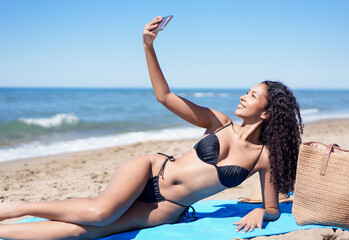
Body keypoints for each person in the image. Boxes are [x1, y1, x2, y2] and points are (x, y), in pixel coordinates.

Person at [0, 16, 303, 240]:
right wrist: (148, 46)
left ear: (266, 113)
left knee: (84, 233)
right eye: (246, 90)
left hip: (168, 207)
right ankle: (17, 208)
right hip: (150, 170)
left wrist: (260, 211)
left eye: (251, 95)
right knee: (100, 213)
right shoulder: (219, 122)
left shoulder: (263, 157)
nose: (242, 95)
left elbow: (273, 208)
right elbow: (165, 96)